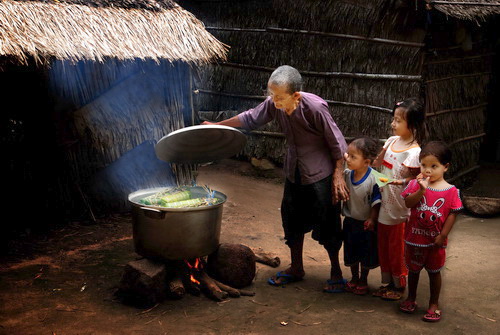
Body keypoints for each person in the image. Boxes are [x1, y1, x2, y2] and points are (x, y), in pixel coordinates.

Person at [202, 65, 349, 292]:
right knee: (291, 219)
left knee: (328, 222)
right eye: (271, 95)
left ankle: (336, 271)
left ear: (296, 96)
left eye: (279, 97)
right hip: (294, 170)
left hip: (320, 173)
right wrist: (217, 126)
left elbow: (337, 144)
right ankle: (297, 268)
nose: (274, 102)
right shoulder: (275, 103)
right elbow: (251, 117)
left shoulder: (315, 108)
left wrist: (338, 175)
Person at [399, 141, 463, 322]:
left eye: (433, 166)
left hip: (435, 243)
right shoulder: (415, 184)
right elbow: (408, 203)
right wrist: (421, 190)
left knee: (434, 272)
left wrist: (443, 235)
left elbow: (452, 214)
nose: (427, 170)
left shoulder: (451, 191)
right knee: (413, 270)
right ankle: (411, 298)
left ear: (445, 167)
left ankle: (433, 304)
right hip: (414, 240)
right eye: (423, 165)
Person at [371, 98, 426, 300]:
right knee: (384, 246)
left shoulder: (414, 152)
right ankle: (387, 282)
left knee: (397, 248)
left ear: (412, 124)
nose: (393, 124)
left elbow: (415, 180)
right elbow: (380, 162)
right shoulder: (391, 141)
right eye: (393, 119)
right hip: (385, 202)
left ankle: (399, 286)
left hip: (401, 208)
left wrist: (397, 183)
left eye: (398, 121)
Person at [342, 137, 381, 295]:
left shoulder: (374, 179)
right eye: (348, 155)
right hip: (350, 221)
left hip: (366, 224)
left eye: (353, 157)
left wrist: (372, 219)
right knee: (351, 250)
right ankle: (354, 277)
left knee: (366, 252)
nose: (348, 159)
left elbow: (377, 202)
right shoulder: (346, 175)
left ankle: (363, 279)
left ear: (366, 162)